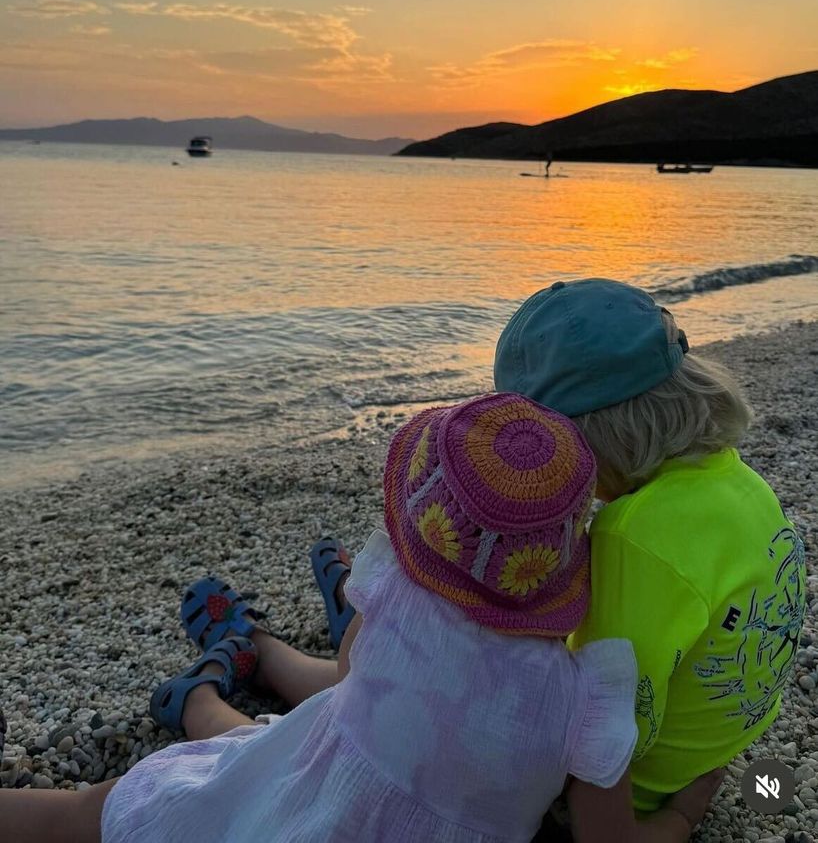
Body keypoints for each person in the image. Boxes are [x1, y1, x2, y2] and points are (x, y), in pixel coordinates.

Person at [0, 394, 721, 843]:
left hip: (311, 780)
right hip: (326, 773)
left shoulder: (396, 596)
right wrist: (690, 809)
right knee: (261, 757)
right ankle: (215, 677)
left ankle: (209, 683)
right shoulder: (588, 699)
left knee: (119, 806)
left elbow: (350, 682)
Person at [493, 278, 806, 813]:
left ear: (580, 436)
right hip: (724, 741)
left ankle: (336, 656)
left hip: (639, 793)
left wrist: (671, 821)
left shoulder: (630, 537)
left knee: (429, 698)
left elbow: (609, 730)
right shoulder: (740, 481)